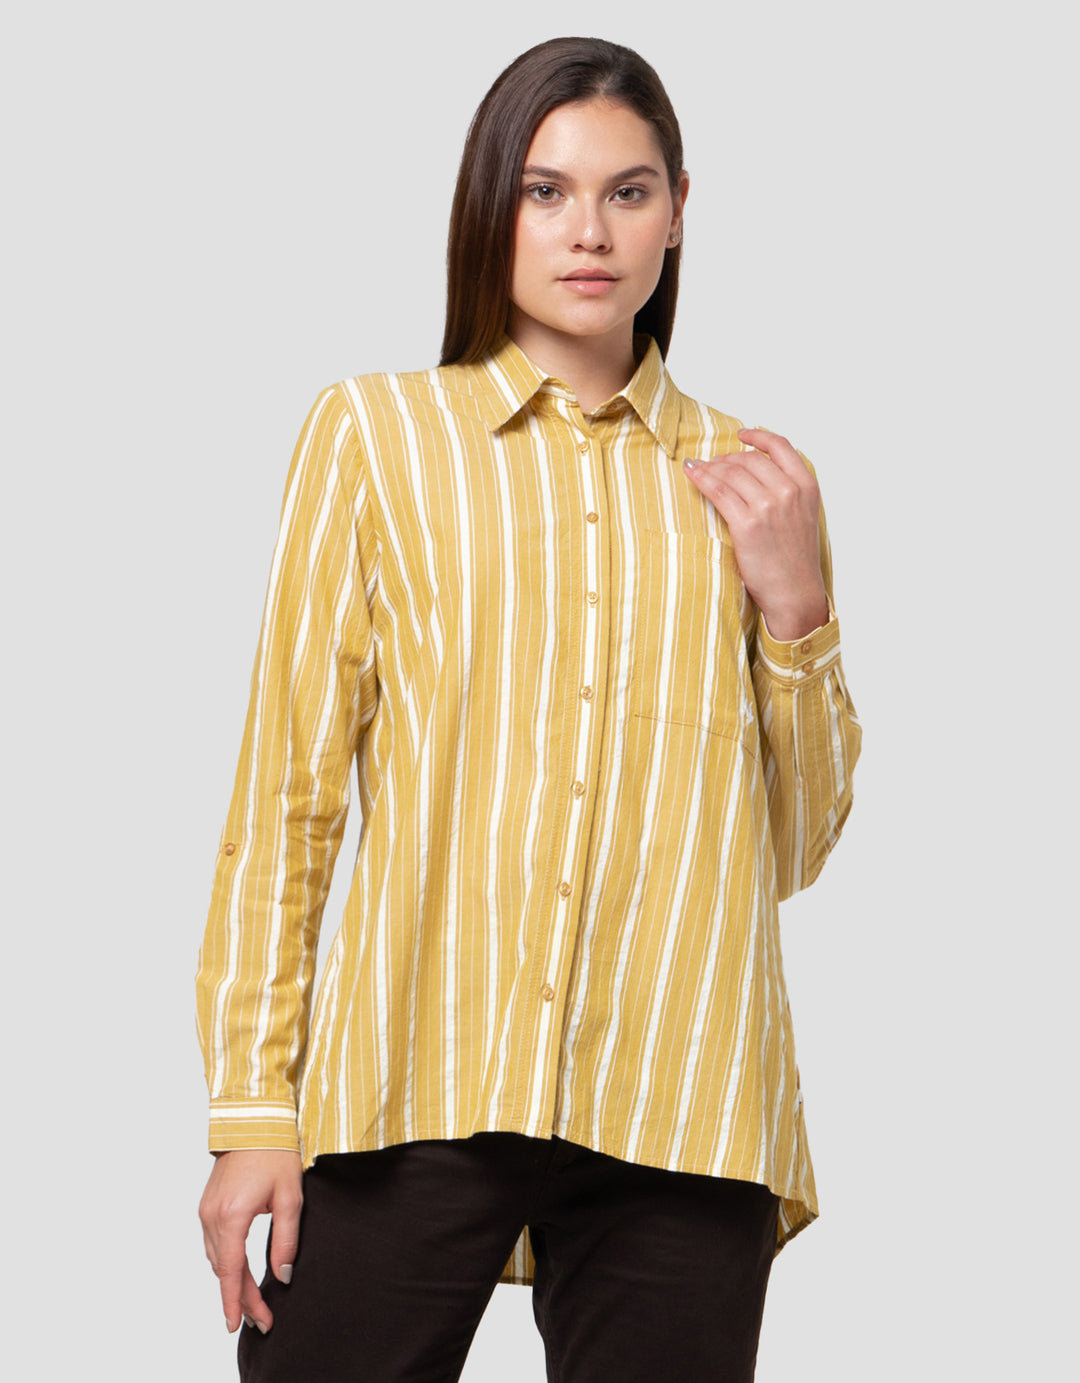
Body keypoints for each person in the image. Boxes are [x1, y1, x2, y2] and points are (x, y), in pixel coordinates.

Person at [197, 35, 861, 1383]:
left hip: (686, 1098)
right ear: (489, 205)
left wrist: (797, 613)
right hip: (417, 1076)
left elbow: (785, 852)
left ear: (679, 212)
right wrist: (253, 1108)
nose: (589, 232)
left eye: (628, 192)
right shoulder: (377, 439)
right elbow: (289, 794)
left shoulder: (757, 482)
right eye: (545, 191)